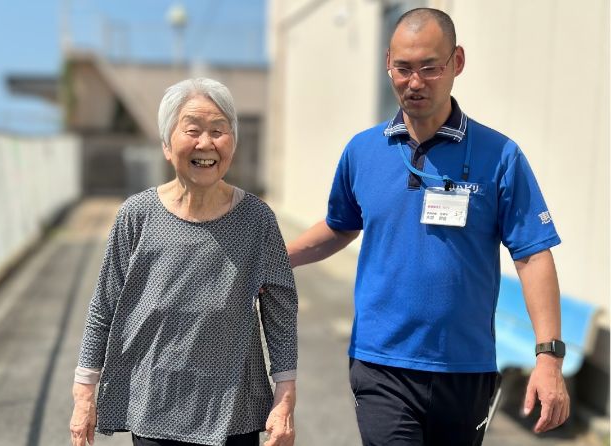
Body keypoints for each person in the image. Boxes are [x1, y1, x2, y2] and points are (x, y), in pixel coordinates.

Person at [286, 8, 569, 446]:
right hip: (381, 363)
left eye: (430, 68)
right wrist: (276, 259)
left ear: (457, 62)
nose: (414, 82)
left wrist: (548, 358)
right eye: (403, 68)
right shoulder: (362, 151)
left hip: (466, 368)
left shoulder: (500, 156)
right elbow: (341, 226)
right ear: (387, 64)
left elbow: (532, 254)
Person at [69, 78, 297, 446]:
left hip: (233, 413)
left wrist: (285, 399)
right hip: (153, 406)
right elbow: (103, 307)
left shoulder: (257, 220)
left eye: (218, 130)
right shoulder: (136, 215)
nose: (206, 143)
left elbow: (280, 311)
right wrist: (84, 394)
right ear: (166, 144)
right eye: (192, 130)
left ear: (233, 142)